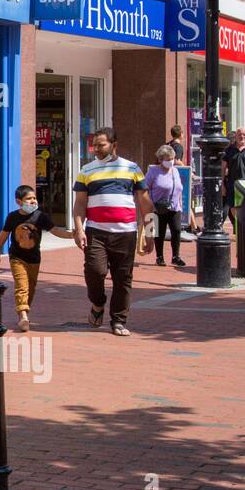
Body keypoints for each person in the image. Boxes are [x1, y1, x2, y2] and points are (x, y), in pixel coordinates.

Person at [73, 127, 154, 337]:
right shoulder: (86, 171)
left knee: (123, 278)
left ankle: (118, 320)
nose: (96, 149)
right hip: (96, 231)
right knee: (95, 271)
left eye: (101, 145)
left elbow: (145, 203)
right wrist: (79, 229)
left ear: (114, 145)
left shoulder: (132, 168)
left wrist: (150, 233)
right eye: (94, 145)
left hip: (126, 233)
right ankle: (98, 303)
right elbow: (80, 204)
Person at [0, 185, 55, 333]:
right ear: (19, 201)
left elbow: (55, 230)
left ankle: (24, 312)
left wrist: (74, 235)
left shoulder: (40, 216)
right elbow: (4, 233)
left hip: (34, 258)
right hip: (17, 257)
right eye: (29, 198)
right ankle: (23, 315)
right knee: (22, 285)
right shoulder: (13, 216)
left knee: (31, 287)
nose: (33, 201)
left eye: (34, 198)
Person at [145, 145, 186, 267]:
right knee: (160, 232)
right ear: (160, 159)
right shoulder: (153, 171)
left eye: (172, 158)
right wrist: (149, 205)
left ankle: (176, 256)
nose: (171, 161)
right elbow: (145, 188)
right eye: (168, 159)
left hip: (174, 207)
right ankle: (159, 256)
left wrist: (180, 204)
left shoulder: (175, 171)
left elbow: (179, 188)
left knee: (177, 230)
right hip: (158, 207)